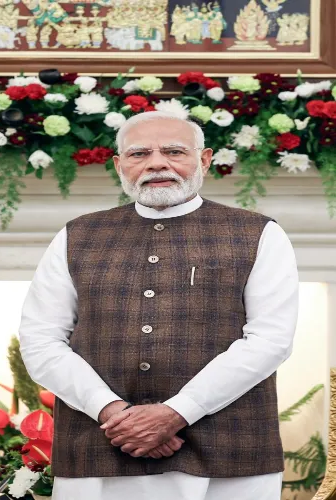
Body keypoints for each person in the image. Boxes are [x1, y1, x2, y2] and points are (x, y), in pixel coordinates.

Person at [19, 111, 298, 499]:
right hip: (98, 446)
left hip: (229, 453)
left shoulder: (259, 233)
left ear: (204, 160)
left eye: (173, 151)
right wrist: (112, 412)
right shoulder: (77, 235)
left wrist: (177, 412)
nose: (156, 163)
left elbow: (270, 341)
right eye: (139, 154)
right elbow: (40, 340)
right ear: (119, 165)